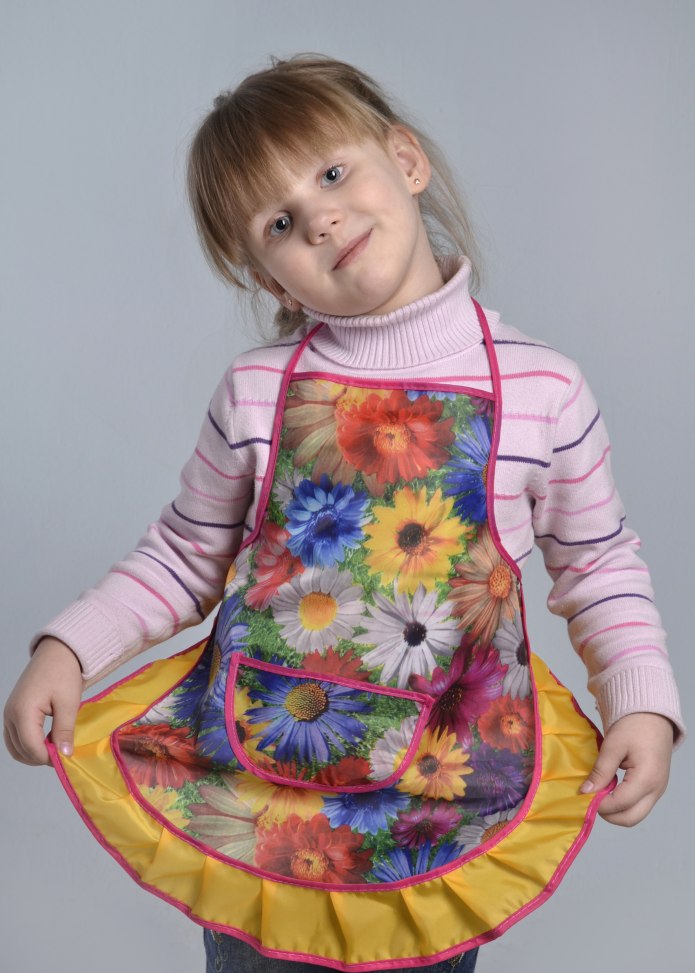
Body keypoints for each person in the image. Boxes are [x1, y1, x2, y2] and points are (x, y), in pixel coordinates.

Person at [3, 54, 683, 973]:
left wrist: (641, 702)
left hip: (443, 783)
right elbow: (184, 554)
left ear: (406, 160)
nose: (319, 217)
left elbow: (597, 563)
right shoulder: (255, 391)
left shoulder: (543, 389)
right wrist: (68, 647)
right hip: (262, 776)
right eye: (280, 223)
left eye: (331, 173)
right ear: (271, 281)